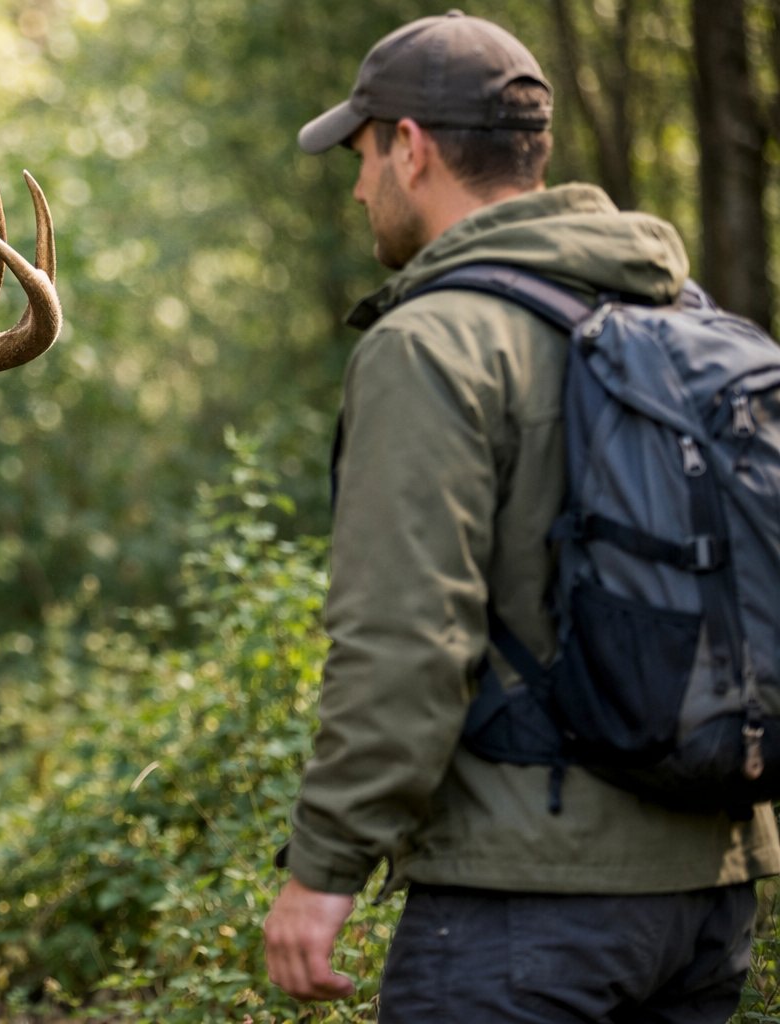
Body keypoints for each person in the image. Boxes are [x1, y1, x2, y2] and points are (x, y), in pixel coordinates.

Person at [261, 11, 780, 1022]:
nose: (361, 185)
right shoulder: (690, 318)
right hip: (713, 893)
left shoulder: (434, 344)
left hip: (521, 913)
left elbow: (406, 640)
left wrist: (322, 869)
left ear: (409, 148)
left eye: (363, 156)